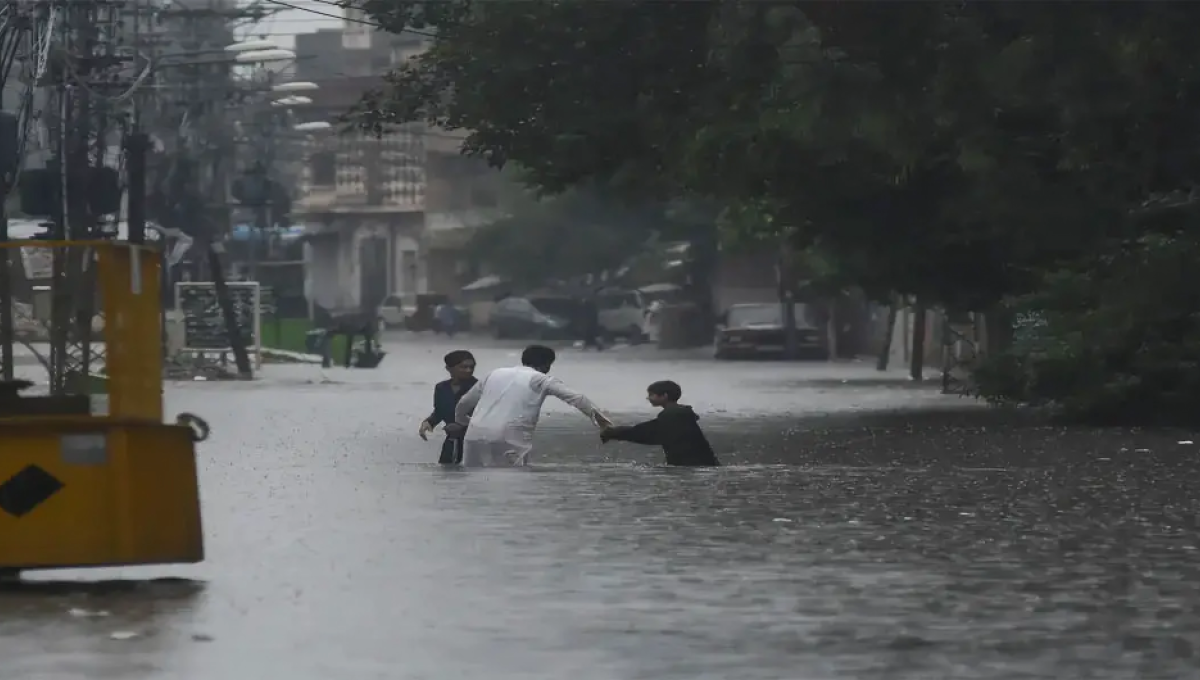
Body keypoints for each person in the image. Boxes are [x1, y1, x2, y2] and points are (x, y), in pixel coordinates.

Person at [453, 344, 612, 467]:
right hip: (509, 439)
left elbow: (463, 403)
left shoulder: (495, 373)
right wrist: (603, 422)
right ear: (547, 365)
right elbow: (578, 398)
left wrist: (464, 422)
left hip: (474, 437)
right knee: (513, 485)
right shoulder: (540, 379)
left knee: (473, 482)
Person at [600, 380, 720, 466]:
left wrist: (614, 432)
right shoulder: (681, 414)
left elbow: (648, 433)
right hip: (702, 466)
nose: (648, 398)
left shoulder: (672, 415)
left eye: (651, 395)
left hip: (693, 466)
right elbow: (651, 431)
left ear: (664, 396)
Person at [419, 350, 478, 465]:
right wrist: (429, 422)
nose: (468, 371)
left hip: (471, 442)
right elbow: (440, 411)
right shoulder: (441, 388)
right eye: (463, 367)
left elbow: (484, 414)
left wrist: (462, 426)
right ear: (449, 368)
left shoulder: (478, 387)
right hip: (451, 441)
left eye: (471, 367)